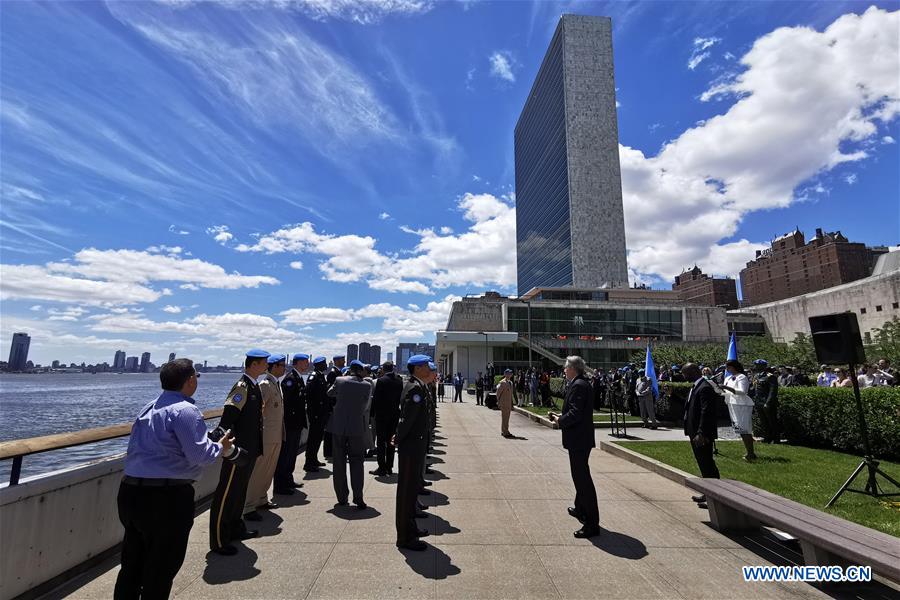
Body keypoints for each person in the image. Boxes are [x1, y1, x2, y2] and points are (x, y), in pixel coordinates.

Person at [115, 359, 247, 598]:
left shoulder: (148, 407)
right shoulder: (186, 410)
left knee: (132, 564)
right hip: (166, 498)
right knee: (162, 566)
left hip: (130, 492)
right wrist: (220, 446)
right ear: (190, 380)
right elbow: (200, 456)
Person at [209, 349, 268, 555]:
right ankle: (218, 540)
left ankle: (235, 528)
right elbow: (228, 418)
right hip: (237, 450)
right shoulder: (242, 387)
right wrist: (225, 443)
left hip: (249, 449)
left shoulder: (254, 386)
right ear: (253, 365)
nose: (266, 365)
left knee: (239, 491)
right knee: (227, 494)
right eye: (263, 362)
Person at [547, 356, 600, 539]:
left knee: (582, 480)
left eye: (566, 367)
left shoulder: (579, 385)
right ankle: (580, 508)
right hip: (580, 439)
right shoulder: (579, 383)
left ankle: (592, 524)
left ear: (574, 368)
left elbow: (576, 413)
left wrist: (560, 420)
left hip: (579, 440)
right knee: (579, 477)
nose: (564, 370)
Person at [394, 354, 433, 551]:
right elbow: (406, 419)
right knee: (406, 492)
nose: (429, 369)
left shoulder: (415, 385)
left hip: (415, 445)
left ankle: (411, 528)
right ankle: (405, 537)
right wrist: (398, 437)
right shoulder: (414, 388)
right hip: (411, 447)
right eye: (426, 366)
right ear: (417, 368)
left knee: (410, 493)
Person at [326, 360, 373, 509]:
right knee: (357, 462)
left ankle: (342, 497)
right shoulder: (367, 385)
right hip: (357, 427)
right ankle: (358, 497)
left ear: (350, 370)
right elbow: (365, 407)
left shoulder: (340, 380)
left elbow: (329, 393)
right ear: (361, 371)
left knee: (339, 462)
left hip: (339, 426)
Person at [244, 353, 286, 521]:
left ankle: (262, 499)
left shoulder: (275, 384)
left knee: (269, 469)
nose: (284, 368)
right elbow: (258, 410)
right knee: (259, 470)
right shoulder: (265, 385)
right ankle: (248, 506)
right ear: (274, 367)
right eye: (282, 365)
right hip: (266, 435)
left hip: (275, 434)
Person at [681, 362, 720, 509]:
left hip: (701, 434)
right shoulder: (696, 386)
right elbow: (691, 407)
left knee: (707, 463)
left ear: (694, 372)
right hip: (694, 432)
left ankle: (715, 496)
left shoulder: (705, 388)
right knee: (703, 464)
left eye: (685, 373)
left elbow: (706, 412)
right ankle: (708, 492)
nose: (684, 376)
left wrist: (701, 432)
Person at [275, 353, 308, 494]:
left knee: (292, 454)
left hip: (297, 423)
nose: (307, 364)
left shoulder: (298, 378)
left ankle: (288, 480)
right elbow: (286, 403)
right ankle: (280, 485)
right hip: (290, 424)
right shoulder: (290, 379)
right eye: (305, 362)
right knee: (286, 454)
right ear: (297, 363)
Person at [370, 361, 403, 476]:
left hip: (381, 416)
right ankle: (389, 466)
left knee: (380, 442)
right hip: (394, 415)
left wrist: (372, 413)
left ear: (383, 369)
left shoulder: (381, 381)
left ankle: (381, 467)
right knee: (391, 442)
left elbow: (376, 399)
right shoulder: (399, 381)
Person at [720, 360, 755, 461]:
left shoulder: (741, 377)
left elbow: (742, 391)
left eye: (728, 367)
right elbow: (726, 391)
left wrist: (726, 387)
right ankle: (749, 452)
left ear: (734, 367)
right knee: (739, 429)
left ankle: (750, 453)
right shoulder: (728, 378)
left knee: (744, 429)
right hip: (732, 404)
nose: (727, 369)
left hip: (742, 405)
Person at [304, 356, 329, 472]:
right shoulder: (314, 376)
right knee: (313, 438)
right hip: (316, 414)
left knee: (318, 438)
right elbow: (308, 395)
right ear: (319, 365)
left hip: (321, 413)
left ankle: (314, 459)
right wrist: (313, 412)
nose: (326, 365)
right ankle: (308, 463)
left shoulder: (320, 376)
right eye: (324, 364)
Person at [750, 359, 780, 444]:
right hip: (759, 402)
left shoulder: (770, 376)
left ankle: (776, 439)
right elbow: (754, 389)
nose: (755, 366)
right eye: (755, 364)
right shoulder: (756, 376)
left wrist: (768, 403)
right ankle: (767, 437)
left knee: (772, 421)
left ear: (763, 366)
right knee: (764, 422)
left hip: (767, 403)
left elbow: (773, 391)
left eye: (757, 365)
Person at [496, 368, 515, 438]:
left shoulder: (510, 382)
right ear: (505, 374)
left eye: (511, 373)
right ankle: (505, 432)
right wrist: (498, 401)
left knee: (507, 418)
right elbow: (498, 393)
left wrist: (512, 403)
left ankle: (505, 430)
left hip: (508, 403)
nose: (510, 374)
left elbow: (510, 394)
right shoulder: (502, 382)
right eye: (509, 373)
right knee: (505, 418)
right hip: (504, 403)